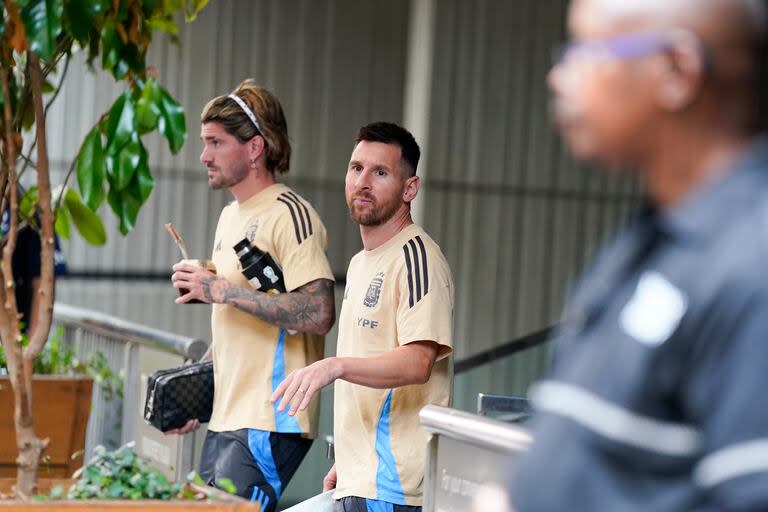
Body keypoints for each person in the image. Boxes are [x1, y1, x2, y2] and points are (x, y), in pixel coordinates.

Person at [508, 0, 768, 510]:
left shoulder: (750, 270)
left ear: (676, 70)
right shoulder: (640, 248)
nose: (557, 77)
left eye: (587, 50)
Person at [169, 80, 336, 511]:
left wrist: (223, 291)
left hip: (270, 417)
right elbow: (234, 330)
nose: (203, 156)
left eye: (215, 143)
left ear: (255, 148)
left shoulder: (290, 214)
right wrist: (194, 392)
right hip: (228, 415)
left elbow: (319, 312)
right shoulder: (229, 216)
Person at [271, 122, 455, 512]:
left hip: (392, 487)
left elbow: (419, 360)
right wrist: (350, 461)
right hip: (361, 478)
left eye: (381, 172)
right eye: (356, 168)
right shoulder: (360, 263)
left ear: (410, 189)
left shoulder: (418, 257)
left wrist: (333, 366)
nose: (363, 182)